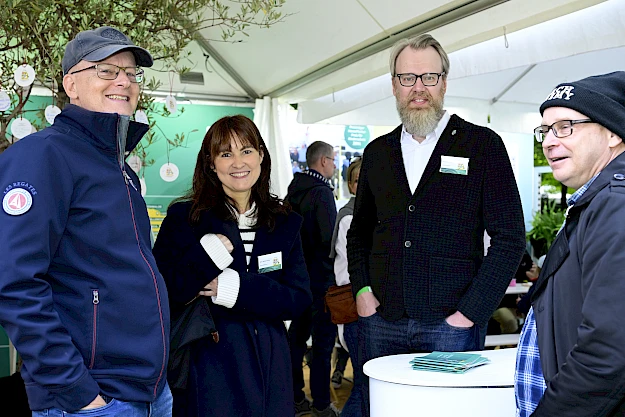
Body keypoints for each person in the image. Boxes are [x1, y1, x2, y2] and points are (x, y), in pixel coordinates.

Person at [346, 33, 526, 416]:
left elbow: (509, 238)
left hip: (452, 326)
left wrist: (470, 313)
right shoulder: (378, 153)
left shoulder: (482, 145)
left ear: (444, 81)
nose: (419, 89)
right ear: (394, 85)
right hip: (381, 321)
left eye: (429, 77)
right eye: (408, 78)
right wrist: (362, 291)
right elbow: (358, 232)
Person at [0, 26, 172, 415]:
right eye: (106, 70)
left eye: (131, 72)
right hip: (94, 399)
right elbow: (13, 281)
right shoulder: (43, 156)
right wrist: (77, 391)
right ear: (71, 85)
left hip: (148, 391)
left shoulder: (118, 166)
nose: (124, 81)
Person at [152, 115, 312, 417]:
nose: (238, 162)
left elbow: (298, 299)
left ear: (261, 156)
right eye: (226, 153)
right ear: (212, 163)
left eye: (247, 150)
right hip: (209, 363)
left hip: (270, 362)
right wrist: (204, 259)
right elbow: (162, 291)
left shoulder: (285, 222)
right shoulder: (185, 219)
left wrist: (232, 287)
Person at [515, 71, 625, 416]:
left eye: (565, 126)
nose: (549, 141)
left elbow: (609, 350)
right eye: (545, 130)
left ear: (611, 133)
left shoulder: (616, 205)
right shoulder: (596, 201)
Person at [286, 141, 339, 417]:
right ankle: (321, 402)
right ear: (323, 162)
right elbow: (328, 239)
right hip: (322, 281)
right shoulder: (321, 193)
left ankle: (294, 395)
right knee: (322, 344)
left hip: (298, 278)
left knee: (296, 339)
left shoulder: (293, 191)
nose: (334, 165)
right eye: (332, 160)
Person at [330, 157, 364, 417]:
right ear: (351, 186)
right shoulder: (349, 219)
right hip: (356, 310)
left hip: (365, 312)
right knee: (365, 388)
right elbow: (350, 273)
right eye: (357, 179)